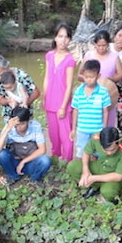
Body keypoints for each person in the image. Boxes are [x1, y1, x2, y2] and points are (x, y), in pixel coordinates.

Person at [66, 127, 122, 203]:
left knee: (108, 192)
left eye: (112, 150)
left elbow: (118, 176)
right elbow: (86, 152)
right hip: (100, 166)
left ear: (118, 142)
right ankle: (95, 186)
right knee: (72, 166)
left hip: (113, 174)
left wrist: (93, 178)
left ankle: (110, 194)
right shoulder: (96, 138)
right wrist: (86, 171)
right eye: (105, 150)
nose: (109, 153)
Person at [0, 106, 51, 185]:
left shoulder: (35, 126)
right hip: (15, 161)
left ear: (28, 121)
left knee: (45, 160)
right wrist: (7, 129)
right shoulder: (9, 127)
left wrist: (23, 161)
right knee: (1, 154)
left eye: (22, 124)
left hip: (30, 162)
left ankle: (35, 178)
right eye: (17, 125)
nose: (19, 127)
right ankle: (13, 176)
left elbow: (42, 150)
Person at [44, 22, 76, 162]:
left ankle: (68, 163)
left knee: (66, 138)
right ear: (55, 38)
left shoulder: (70, 59)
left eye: (66, 37)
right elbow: (46, 78)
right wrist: (44, 98)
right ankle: (56, 160)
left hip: (63, 104)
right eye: (60, 36)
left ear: (70, 40)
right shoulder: (49, 56)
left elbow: (69, 85)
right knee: (54, 135)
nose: (63, 40)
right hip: (50, 102)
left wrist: (63, 106)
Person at [79, 29, 122, 128]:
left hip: (108, 95)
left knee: (107, 125)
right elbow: (79, 75)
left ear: (108, 44)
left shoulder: (114, 56)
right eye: (99, 45)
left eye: (104, 45)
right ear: (94, 44)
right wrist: (90, 80)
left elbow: (121, 75)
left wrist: (111, 80)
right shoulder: (89, 55)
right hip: (91, 96)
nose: (101, 48)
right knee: (92, 126)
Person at [70, 59, 111, 159]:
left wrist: (104, 129)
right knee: (82, 151)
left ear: (98, 76)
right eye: (86, 77)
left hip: (97, 129)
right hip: (82, 129)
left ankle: (98, 170)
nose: (88, 79)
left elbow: (106, 111)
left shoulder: (103, 92)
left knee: (99, 151)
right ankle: (84, 170)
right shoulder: (78, 92)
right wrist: (73, 129)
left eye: (92, 77)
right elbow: (75, 110)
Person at [0, 55, 41, 123]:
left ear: (7, 67)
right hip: (9, 116)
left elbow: (36, 93)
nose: (0, 78)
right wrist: (9, 101)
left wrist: (23, 105)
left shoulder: (21, 75)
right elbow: (0, 99)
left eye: (1, 75)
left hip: (24, 115)